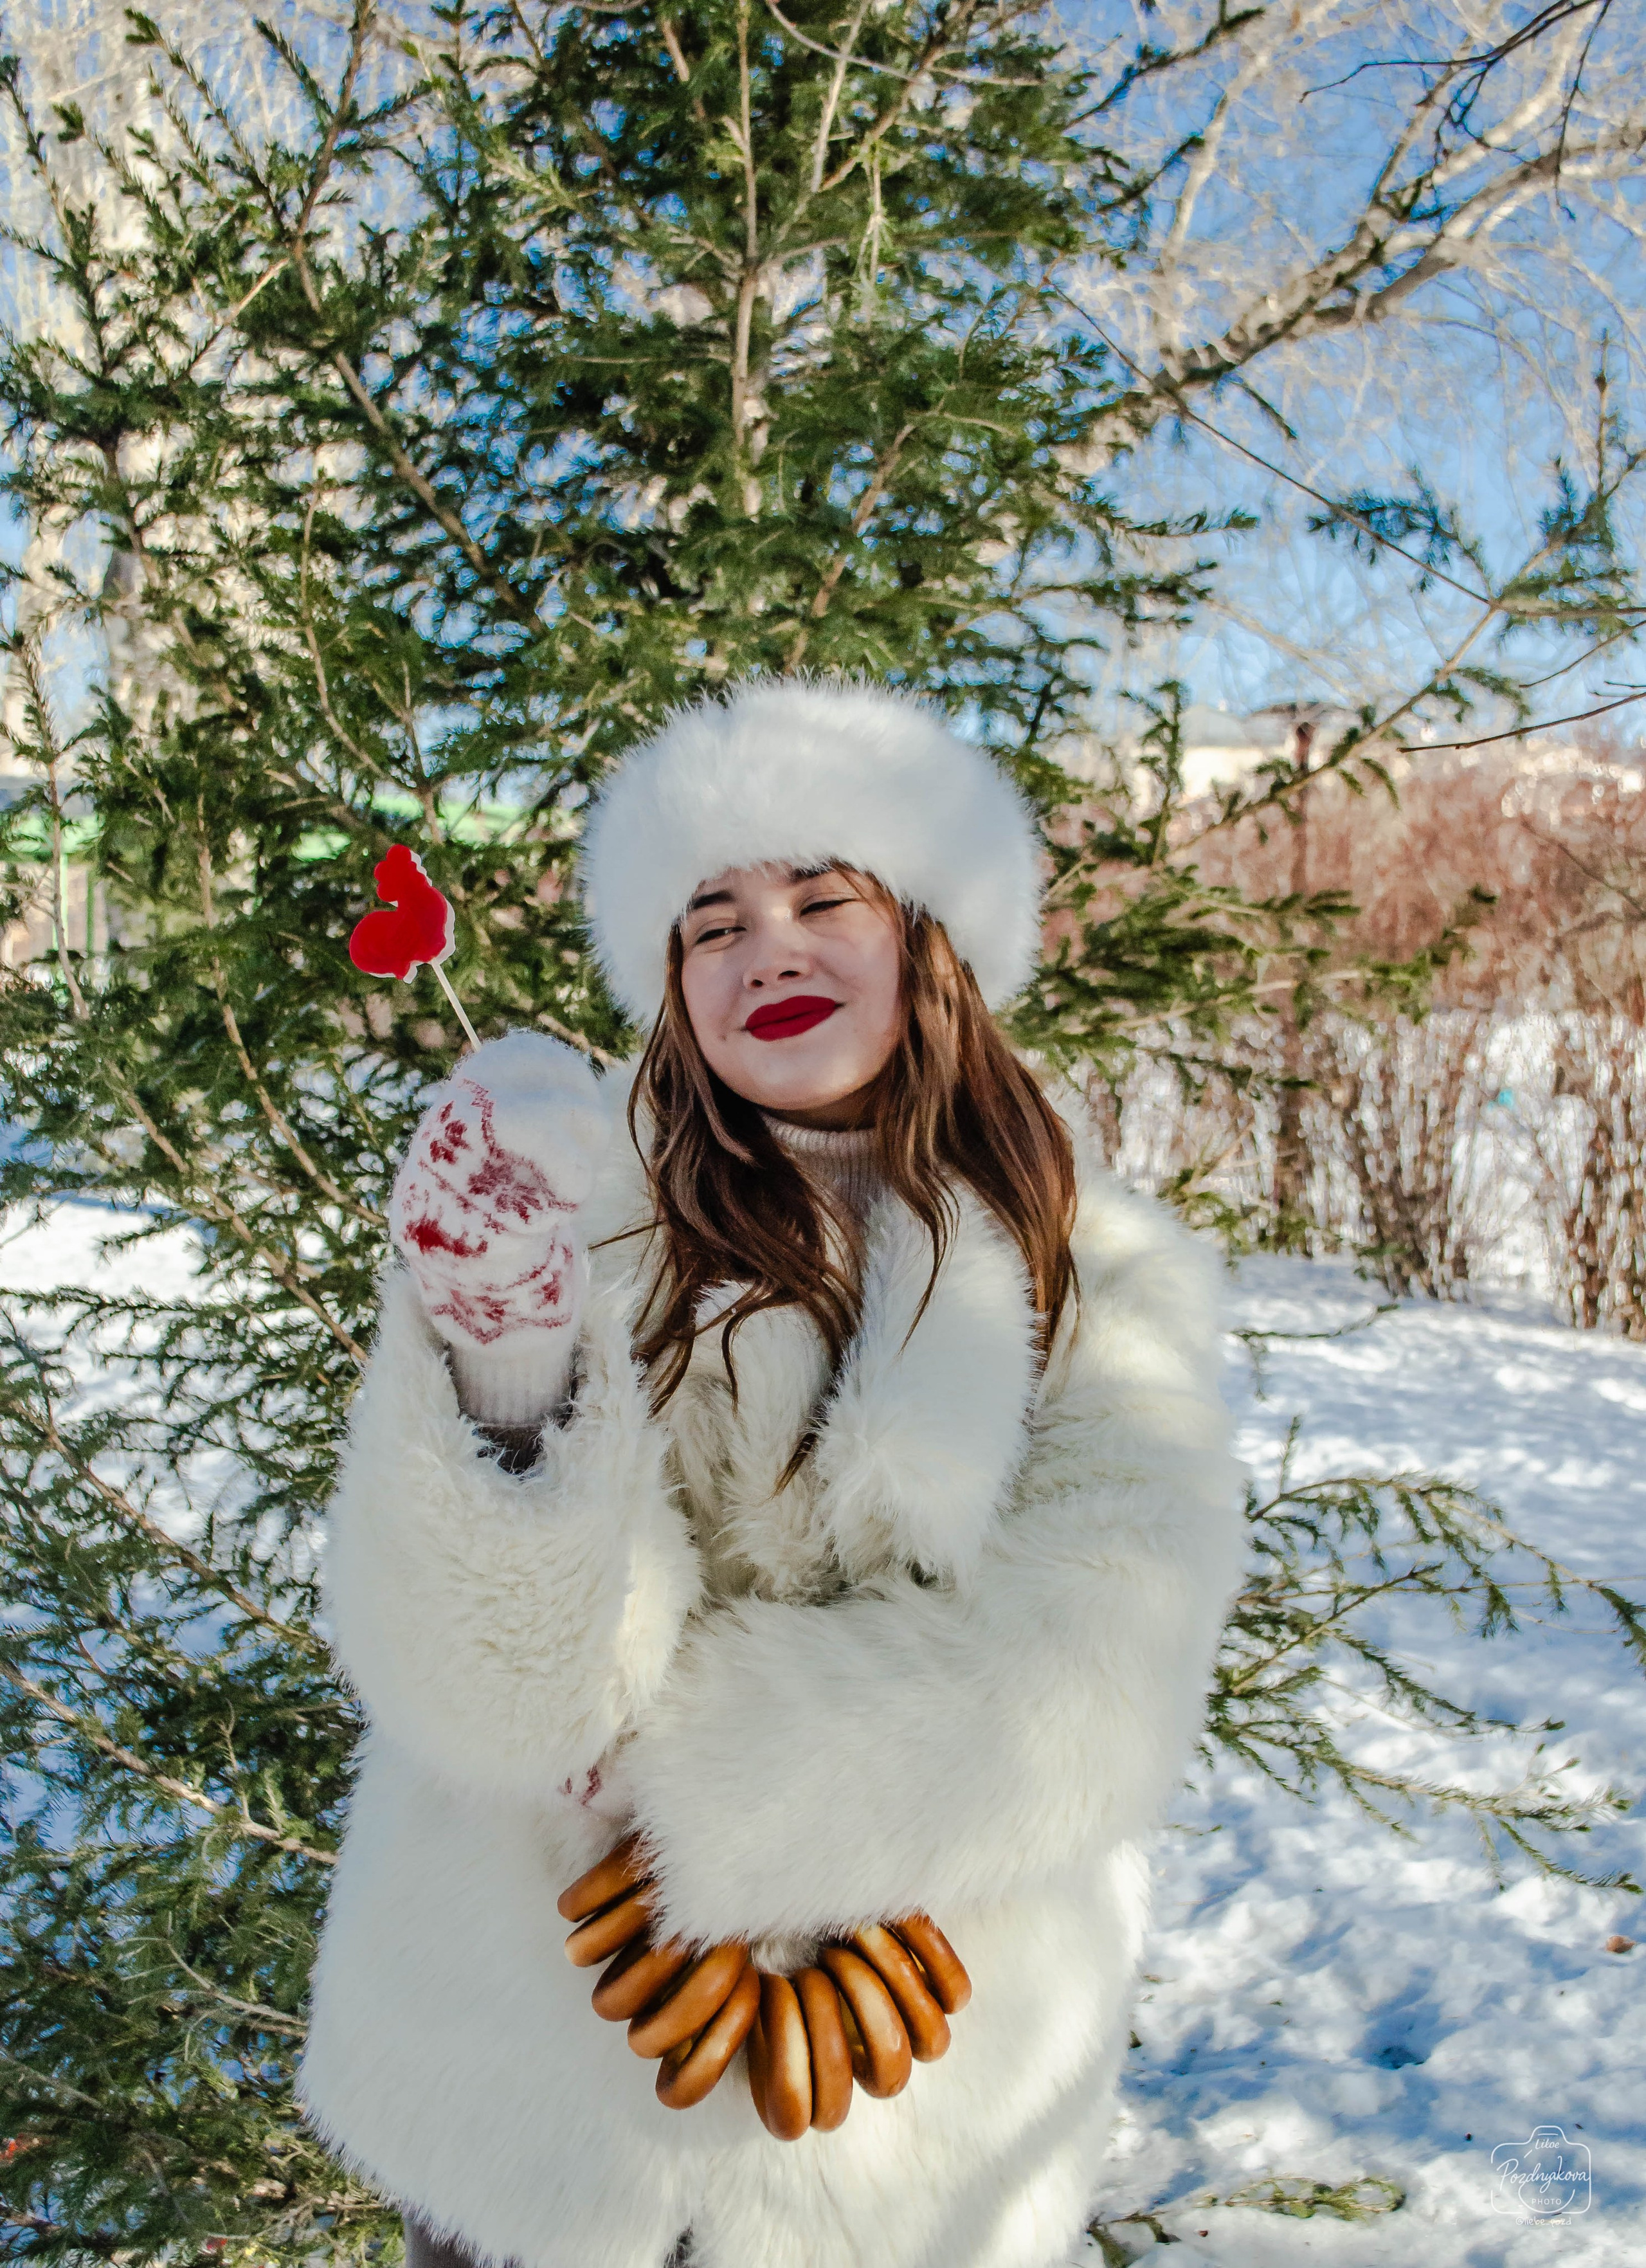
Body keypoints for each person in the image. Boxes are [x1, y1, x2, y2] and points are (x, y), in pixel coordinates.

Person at [299, 680, 1245, 2268]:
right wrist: (513, 1361)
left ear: (932, 943)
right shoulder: (566, 1201)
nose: (768, 949)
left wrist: (697, 1779)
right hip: (530, 2077)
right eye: (710, 921)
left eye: (823, 898)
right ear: (671, 982)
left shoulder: (1099, 1275)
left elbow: (1099, 1655)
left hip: (914, 2119)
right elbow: (469, 1682)